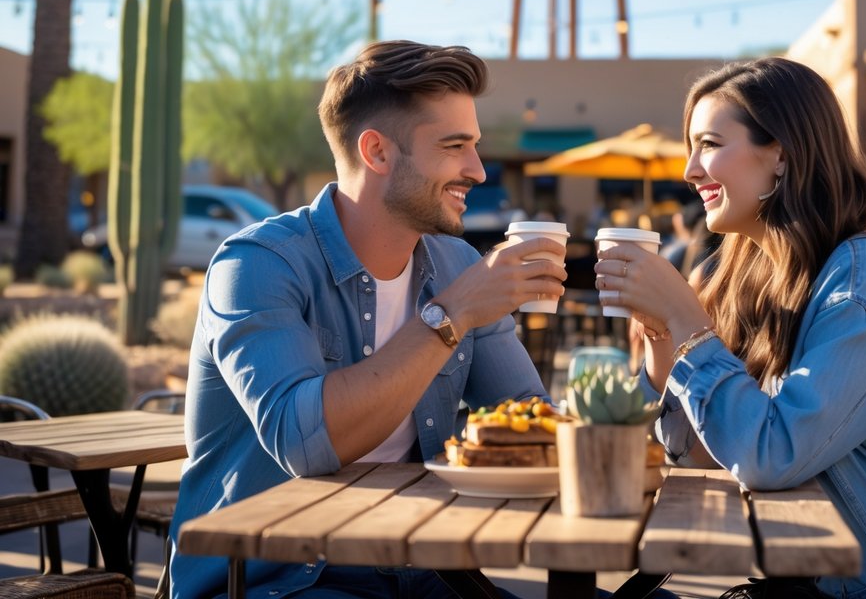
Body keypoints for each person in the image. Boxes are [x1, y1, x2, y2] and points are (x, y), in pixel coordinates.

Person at [595, 58, 866, 599]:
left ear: (780, 154)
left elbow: (769, 456)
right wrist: (664, 338)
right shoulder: (752, 275)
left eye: (708, 144)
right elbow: (703, 455)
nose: (690, 171)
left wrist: (688, 324)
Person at [169, 41, 568, 599]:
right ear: (377, 152)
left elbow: (533, 422)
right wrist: (450, 316)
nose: (477, 170)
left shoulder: (457, 264)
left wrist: (653, 360)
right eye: (455, 146)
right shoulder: (256, 266)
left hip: (422, 568)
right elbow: (305, 445)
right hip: (279, 580)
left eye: (474, 147)